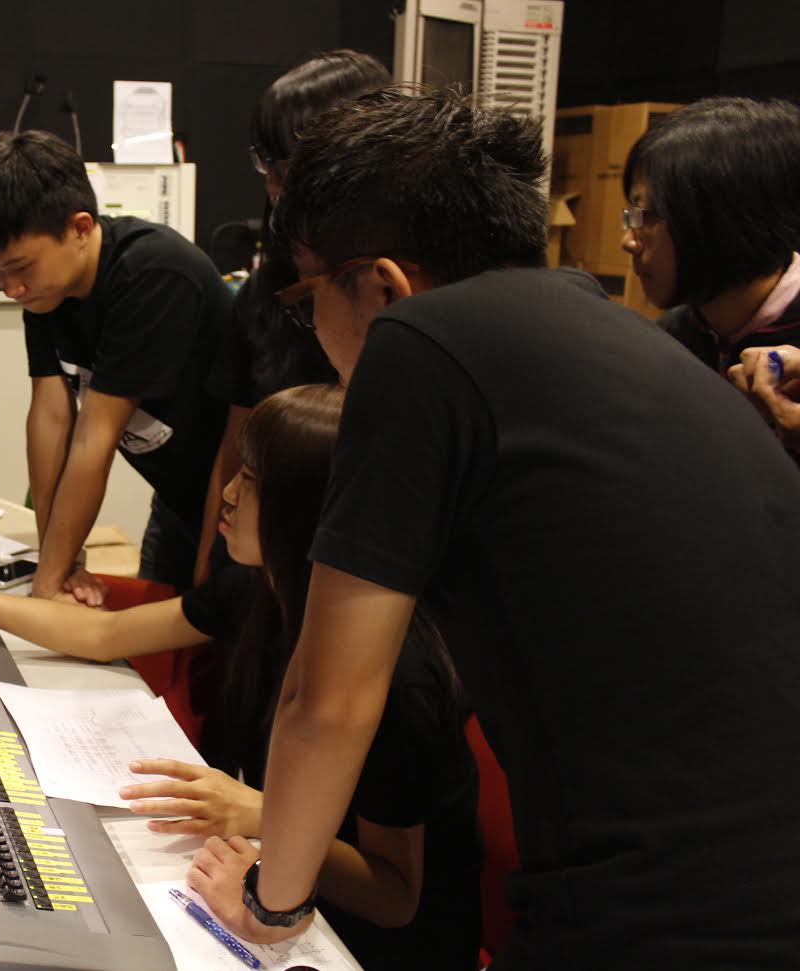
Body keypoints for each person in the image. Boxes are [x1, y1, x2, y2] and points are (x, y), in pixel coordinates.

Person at [186, 88, 800, 970]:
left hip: (665, 911)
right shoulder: (614, 329)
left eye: (305, 296)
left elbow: (329, 698)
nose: (308, 330)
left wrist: (268, 903)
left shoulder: (415, 344)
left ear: (383, 285)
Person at [0, 384, 480, 971]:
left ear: (310, 508)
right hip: (276, 877)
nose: (228, 493)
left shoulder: (401, 680)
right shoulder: (259, 586)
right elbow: (106, 634)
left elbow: (395, 895)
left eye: (252, 480)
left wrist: (261, 812)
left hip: (366, 944)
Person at [0, 130, 231, 603]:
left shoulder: (153, 274)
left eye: (20, 267)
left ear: (80, 228)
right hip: (176, 500)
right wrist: (61, 561)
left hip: (236, 503)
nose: (11, 289)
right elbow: (50, 418)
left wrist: (48, 585)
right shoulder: (48, 293)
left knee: (216, 626)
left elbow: (93, 439)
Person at [194, 50, 388, 582]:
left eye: (285, 168)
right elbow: (235, 448)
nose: (272, 186)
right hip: (263, 574)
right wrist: (207, 574)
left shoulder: (407, 306)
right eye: (266, 165)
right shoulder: (263, 295)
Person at [621, 98, 800, 401]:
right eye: (631, 215)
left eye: (647, 216)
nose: (628, 241)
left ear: (725, 220)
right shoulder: (672, 337)